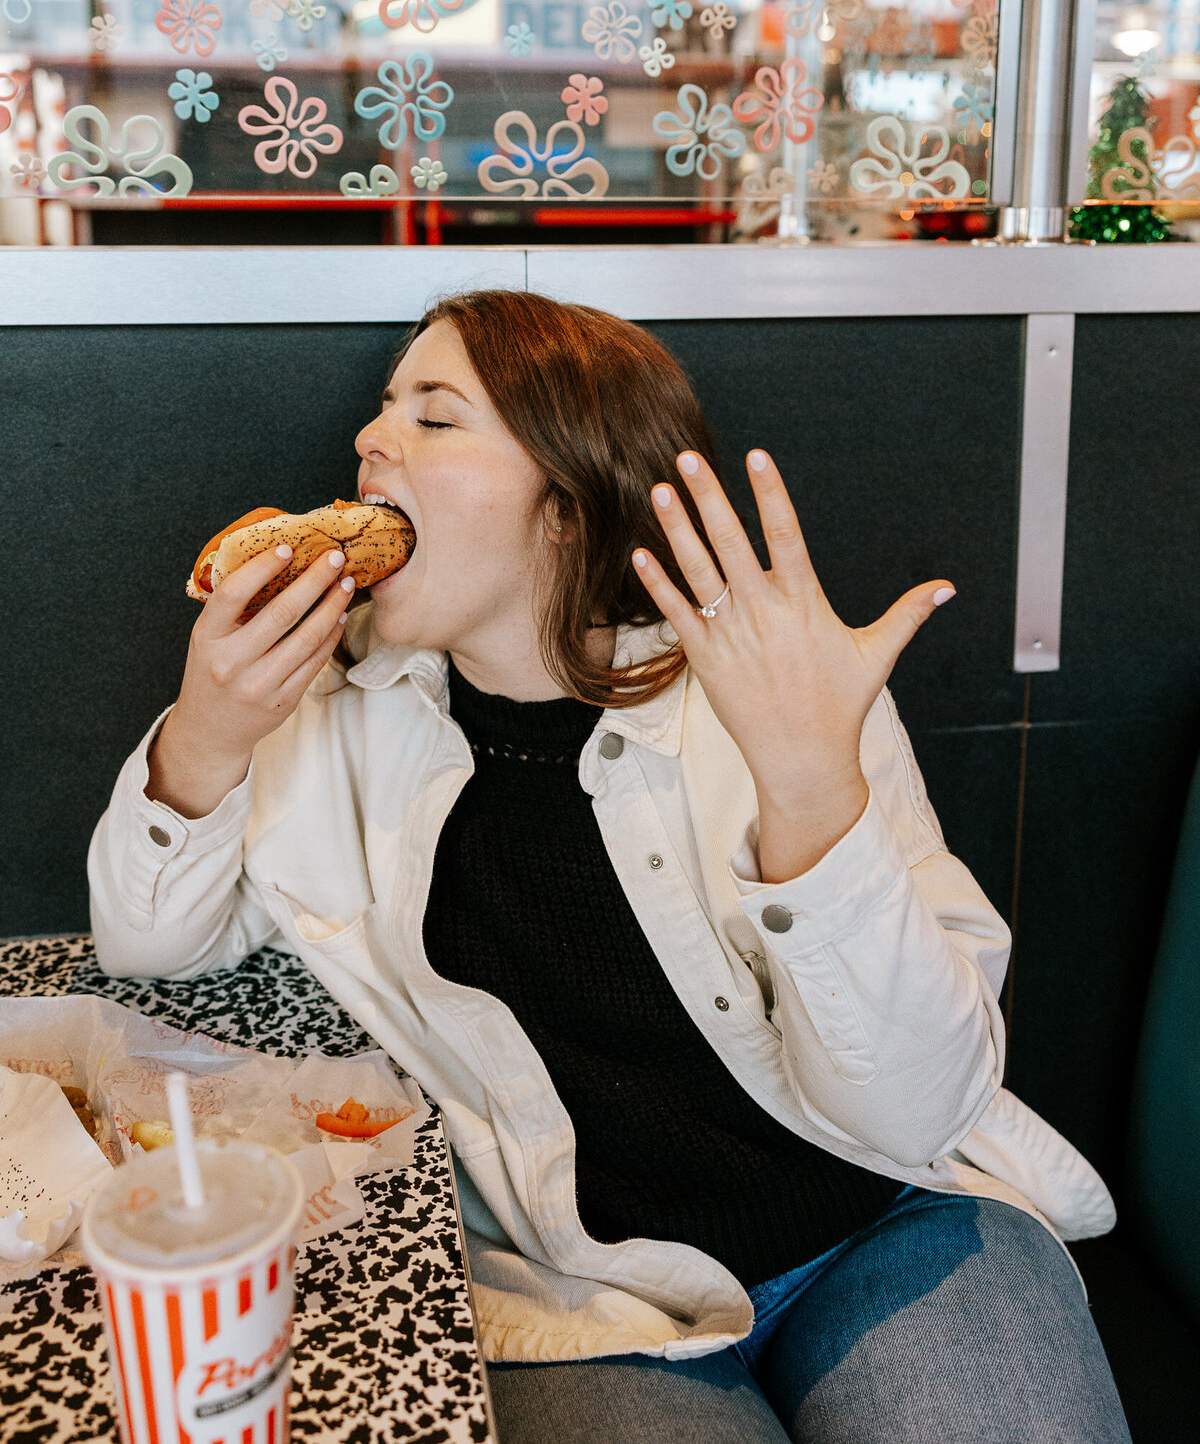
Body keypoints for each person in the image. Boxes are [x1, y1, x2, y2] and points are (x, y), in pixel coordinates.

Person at [89, 288, 1132, 1443]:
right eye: (384, 409)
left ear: (567, 506)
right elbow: (149, 943)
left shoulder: (776, 695)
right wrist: (208, 726)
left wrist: (811, 790)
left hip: (890, 1222)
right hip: (595, 1297)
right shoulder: (331, 714)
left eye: (435, 417)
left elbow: (916, 1105)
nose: (369, 440)